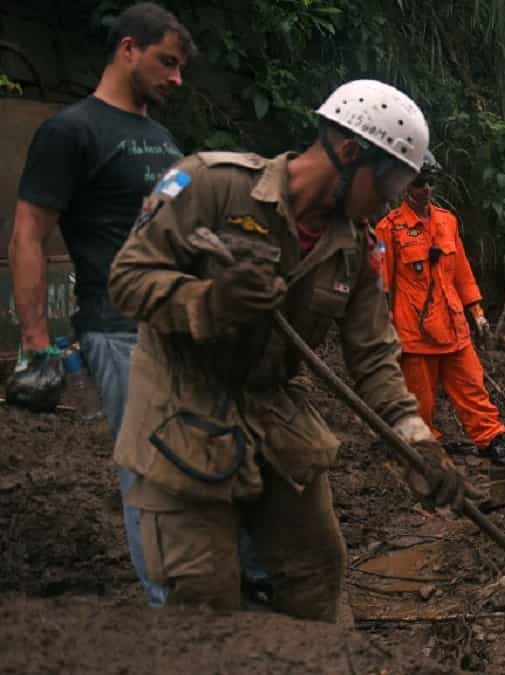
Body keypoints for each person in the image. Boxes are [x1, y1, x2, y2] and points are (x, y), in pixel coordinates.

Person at [106, 80, 479, 620]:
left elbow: (373, 356)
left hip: (274, 415)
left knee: (317, 573)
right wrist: (210, 301)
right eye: (391, 178)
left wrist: (417, 443)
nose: (395, 195)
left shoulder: (357, 246)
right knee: (203, 594)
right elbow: (127, 279)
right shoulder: (211, 184)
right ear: (350, 153)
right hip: (181, 413)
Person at [5, 2, 194, 604]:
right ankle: (172, 612)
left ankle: (204, 593)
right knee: (149, 477)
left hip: (180, 328)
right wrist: (37, 343)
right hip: (117, 332)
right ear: (127, 49)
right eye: (167, 62)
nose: (177, 79)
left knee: (198, 466)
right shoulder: (72, 130)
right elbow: (28, 235)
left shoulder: (163, 139)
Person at [375, 154, 505, 467]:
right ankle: (425, 452)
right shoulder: (389, 229)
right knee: (420, 400)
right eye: (418, 183)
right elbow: (381, 284)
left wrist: (477, 311)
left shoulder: (447, 221)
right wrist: (382, 328)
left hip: (454, 325)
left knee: (472, 386)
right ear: (404, 186)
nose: (426, 189)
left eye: (430, 182)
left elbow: (462, 272)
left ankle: (490, 441)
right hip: (415, 332)